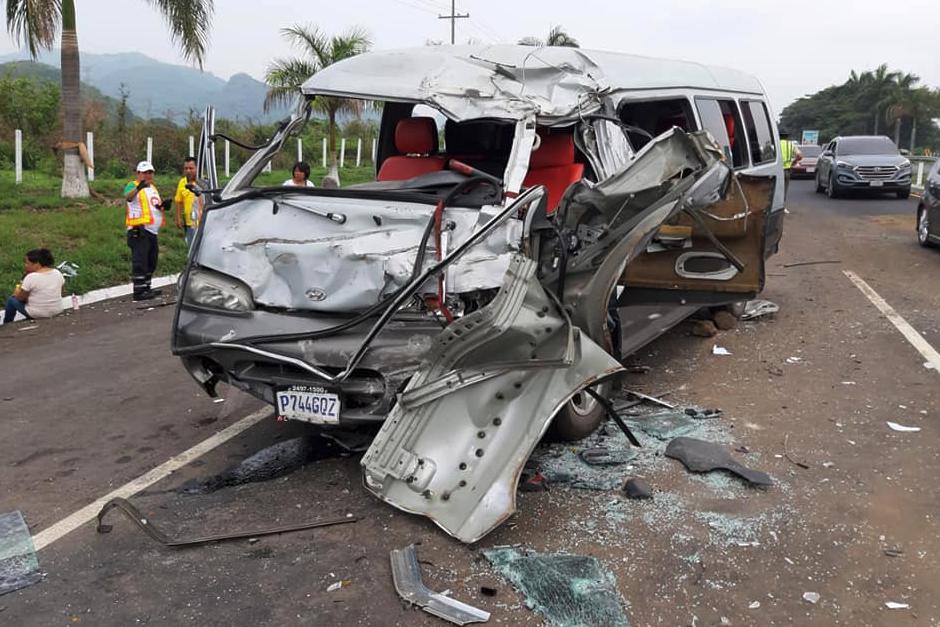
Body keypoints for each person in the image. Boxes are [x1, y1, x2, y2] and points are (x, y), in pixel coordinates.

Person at [123, 161, 168, 301]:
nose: (148, 175)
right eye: (144, 172)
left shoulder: (153, 188)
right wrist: (139, 188)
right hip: (139, 229)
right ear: (138, 174)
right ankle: (139, 291)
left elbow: (152, 207)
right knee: (140, 261)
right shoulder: (133, 185)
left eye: (150, 172)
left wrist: (163, 206)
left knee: (151, 260)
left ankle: (147, 287)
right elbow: (128, 197)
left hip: (152, 231)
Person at [4, 249, 65, 324]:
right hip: (57, 310)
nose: (25, 266)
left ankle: (7, 323)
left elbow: (20, 298)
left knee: (11, 300)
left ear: (37, 264)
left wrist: (16, 293)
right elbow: (61, 293)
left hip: (38, 314)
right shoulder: (57, 273)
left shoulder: (31, 277)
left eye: (27, 263)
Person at [174, 156, 204, 248]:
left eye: (191, 168)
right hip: (189, 223)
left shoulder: (204, 182)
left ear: (197, 168)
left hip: (203, 223)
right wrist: (178, 218)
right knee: (192, 249)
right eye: (186, 168)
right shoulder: (182, 182)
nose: (188, 171)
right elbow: (179, 201)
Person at [779, 132, 802, 200]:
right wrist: (793, 162)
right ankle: (782, 205)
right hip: (787, 170)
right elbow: (800, 156)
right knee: (784, 189)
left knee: (776, 189)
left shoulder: (775, 144)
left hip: (777, 170)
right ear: (787, 137)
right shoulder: (791, 145)